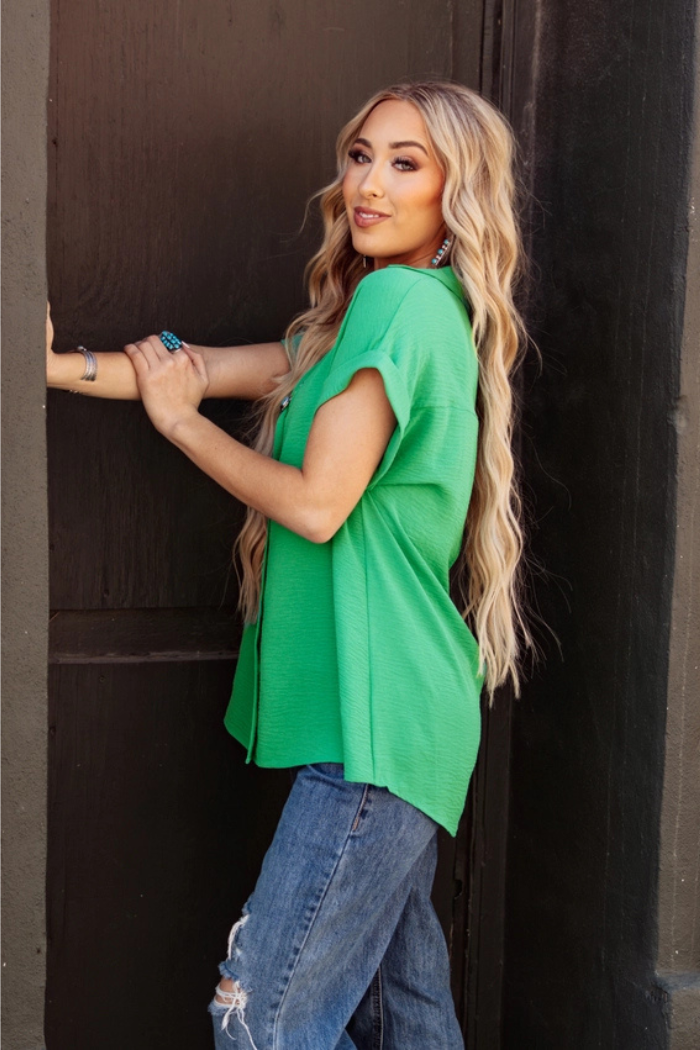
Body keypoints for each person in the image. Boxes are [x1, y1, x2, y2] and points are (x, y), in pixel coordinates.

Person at [46, 80, 533, 1050]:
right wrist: (53, 366)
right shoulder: (377, 314)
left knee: (262, 1023)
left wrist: (181, 428)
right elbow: (206, 363)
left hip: (376, 724)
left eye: (406, 163)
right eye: (361, 155)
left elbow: (315, 505)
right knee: (407, 1023)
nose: (369, 184)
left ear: (456, 192)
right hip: (393, 723)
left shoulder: (399, 303)